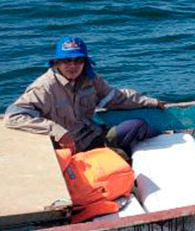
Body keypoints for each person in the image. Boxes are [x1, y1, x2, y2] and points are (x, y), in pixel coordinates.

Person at [4, 37, 166, 159]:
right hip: (67, 149)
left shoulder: (90, 79)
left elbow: (118, 97)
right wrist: (58, 132)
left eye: (78, 60)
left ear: (85, 62)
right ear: (57, 63)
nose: (73, 66)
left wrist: (151, 102)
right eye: (67, 60)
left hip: (93, 137)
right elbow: (13, 116)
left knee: (137, 125)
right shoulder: (45, 88)